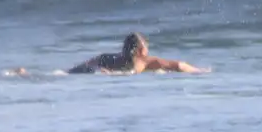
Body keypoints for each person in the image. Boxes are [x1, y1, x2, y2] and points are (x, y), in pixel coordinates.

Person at [69, 33, 201, 75]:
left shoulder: (107, 57)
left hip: (105, 70)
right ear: (141, 50)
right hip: (125, 73)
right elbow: (179, 65)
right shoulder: (144, 61)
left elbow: (81, 67)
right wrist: (199, 71)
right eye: (146, 47)